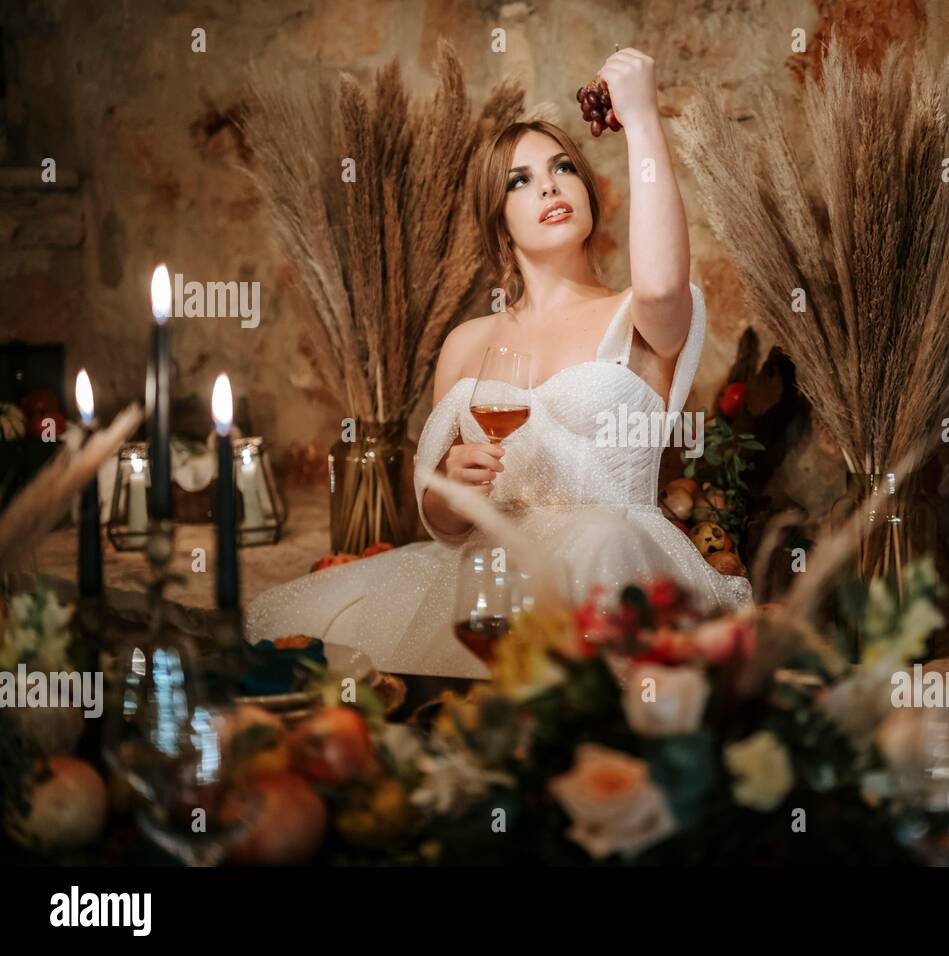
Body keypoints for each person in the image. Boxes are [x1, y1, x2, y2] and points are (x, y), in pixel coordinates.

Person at [246, 48, 752, 677]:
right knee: (299, 643)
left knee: (601, 552)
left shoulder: (639, 319)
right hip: (484, 584)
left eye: (564, 168)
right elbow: (440, 518)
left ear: (589, 194)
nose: (549, 185)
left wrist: (644, 118)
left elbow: (658, 284)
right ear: (499, 222)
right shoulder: (466, 343)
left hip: (612, 568)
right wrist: (455, 489)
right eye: (520, 180)